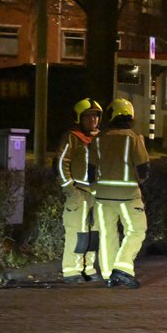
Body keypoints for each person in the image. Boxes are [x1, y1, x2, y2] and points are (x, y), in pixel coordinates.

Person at [89, 99, 150, 289]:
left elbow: (90, 170)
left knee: (107, 234)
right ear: (130, 115)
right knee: (136, 230)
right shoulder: (133, 138)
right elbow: (143, 170)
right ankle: (123, 267)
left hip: (102, 196)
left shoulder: (98, 139)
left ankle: (108, 275)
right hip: (128, 195)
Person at [56, 98, 102, 283]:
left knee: (94, 234)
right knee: (77, 232)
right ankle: (72, 270)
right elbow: (61, 163)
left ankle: (89, 268)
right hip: (79, 191)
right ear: (79, 118)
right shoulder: (72, 137)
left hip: (97, 193)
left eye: (96, 116)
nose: (93, 120)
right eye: (88, 116)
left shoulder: (100, 138)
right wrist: (69, 188)